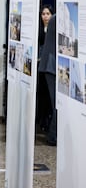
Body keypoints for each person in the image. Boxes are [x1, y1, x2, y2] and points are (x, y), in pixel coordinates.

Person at [38, 14, 57, 146]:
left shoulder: (55, 18)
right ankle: (53, 136)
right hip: (51, 66)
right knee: (57, 104)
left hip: (52, 66)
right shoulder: (56, 19)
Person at [36, 4, 54, 132]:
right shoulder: (38, 30)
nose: (46, 16)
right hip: (39, 65)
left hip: (49, 66)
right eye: (43, 14)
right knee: (41, 94)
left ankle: (48, 120)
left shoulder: (54, 29)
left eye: (48, 14)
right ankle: (41, 120)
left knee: (49, 95)